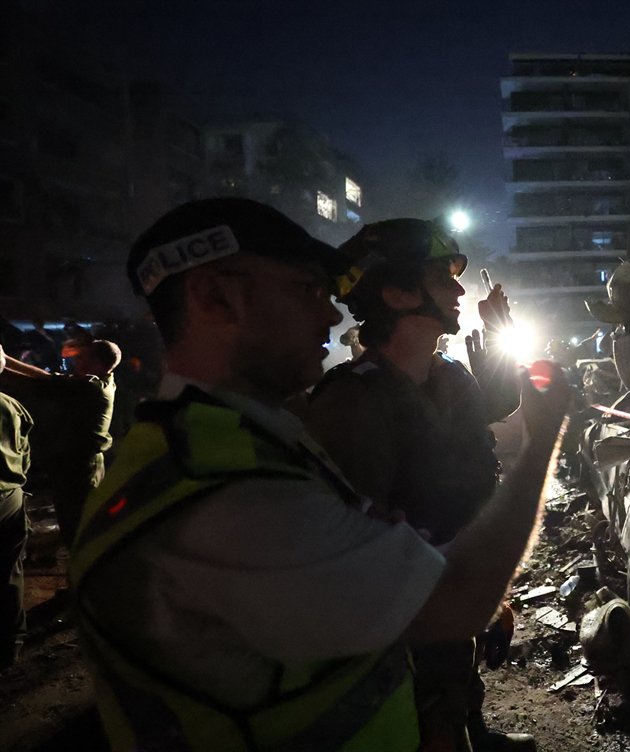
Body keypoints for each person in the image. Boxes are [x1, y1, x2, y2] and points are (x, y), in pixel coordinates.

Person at [70, 198, 570, 752]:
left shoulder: (256, 439)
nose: (333, 317)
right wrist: (544, 437)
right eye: (306, 291)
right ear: (214, 296)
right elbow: (450, 599)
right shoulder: (230, 492)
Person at [303, 218, 527, 752]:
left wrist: (499, 336)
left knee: (458, 685)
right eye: (439, 277)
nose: (457, 290)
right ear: (397, 293)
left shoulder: (449, 374)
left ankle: (472, 727)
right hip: (406, 613)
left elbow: (493, 408)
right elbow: (360, 542)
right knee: (428, 715)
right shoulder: (353, 401)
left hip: (453, 580)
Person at [1, 339, 120, 544]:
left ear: (98, 364)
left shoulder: (90, 389)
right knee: (82, 524)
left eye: (85, 357)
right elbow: (47, 378)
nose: (78, 360)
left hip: (79, 469)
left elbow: (37, 384)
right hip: (83, 465)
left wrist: (3, 363)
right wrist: (4, 360)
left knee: (76, 527)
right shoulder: (104, 380)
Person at [0, 345, 33, 668]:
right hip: (11, 496)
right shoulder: (14, 406)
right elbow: (25, 454)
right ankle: (12, 643)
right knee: (9, 572)